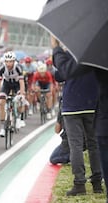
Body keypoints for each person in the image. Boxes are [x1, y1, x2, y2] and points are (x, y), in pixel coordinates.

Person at [51, 36, 103, 196]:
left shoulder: (71, 53)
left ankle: (79, 184)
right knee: (93, 144)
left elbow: (60, 75)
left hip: (73, 104)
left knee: (76, 146)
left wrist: (57, 48)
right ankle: (97, 183)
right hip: (92, 102)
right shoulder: (96, 51)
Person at [0, 51, 26, 137]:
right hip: (7, 84)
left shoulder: (18, 67)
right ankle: (3, 126)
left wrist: (21, 94)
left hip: (17, 84)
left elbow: (22, 82)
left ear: (14, 61)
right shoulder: (2, 68)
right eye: (7, 61)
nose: (8, 63)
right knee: (1, 102)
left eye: (10, 61)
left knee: (20, 99)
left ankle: (18, 118)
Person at [50, 97, 70, 165]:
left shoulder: (63, 107)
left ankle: (71, 157)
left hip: (68, 142)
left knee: (53, 159)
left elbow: (57, 130)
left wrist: (59, 117)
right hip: (86, 139)